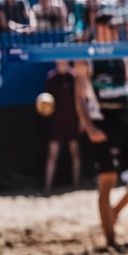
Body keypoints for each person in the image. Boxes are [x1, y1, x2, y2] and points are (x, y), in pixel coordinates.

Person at [75, 14, 128, 247]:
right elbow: (80, 97)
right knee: (107, 181)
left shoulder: (120, 54)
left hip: (126, 119)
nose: (114, 31)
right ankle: (110, 241)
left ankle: (115, 211)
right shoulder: (86, 56)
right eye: (111, 27)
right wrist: (90, 128)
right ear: (99, 28)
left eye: (116, 28)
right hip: (104, 122)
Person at [43, 60, 81, 193]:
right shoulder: (51, 78)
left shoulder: (73, 77)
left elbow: (80, 99)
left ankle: (76, 185)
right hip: (57, 122)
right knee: (52, 155)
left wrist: (82, 121)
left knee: (75, 153)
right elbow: (48, 103)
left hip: (72, 121)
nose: (61, 62)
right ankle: (47, 187)